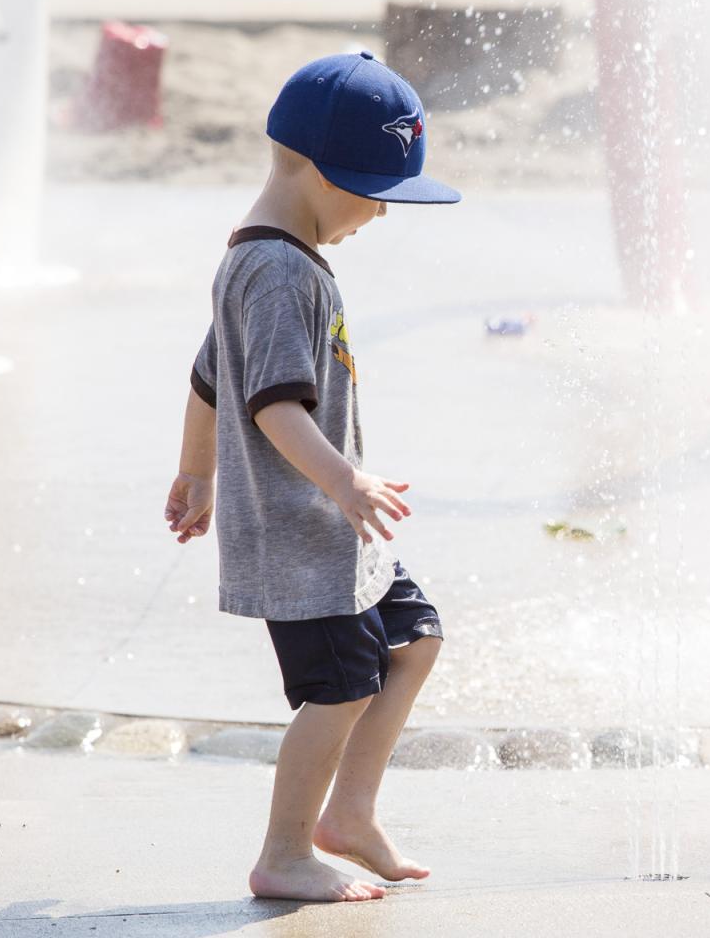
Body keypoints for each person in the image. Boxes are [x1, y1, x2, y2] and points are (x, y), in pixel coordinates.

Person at [164, 51, 461, 901]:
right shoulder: (278, 271)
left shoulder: (265, 258)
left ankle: (351, 816)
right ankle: (285, 853)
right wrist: (342, 482)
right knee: (336, 693)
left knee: (417, 638)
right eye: (378, 192)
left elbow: (207, 377)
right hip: (304, 534)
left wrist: (197, 474)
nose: (379, 213)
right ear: (326, 173)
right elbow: (269, 404)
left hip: (334, 533)